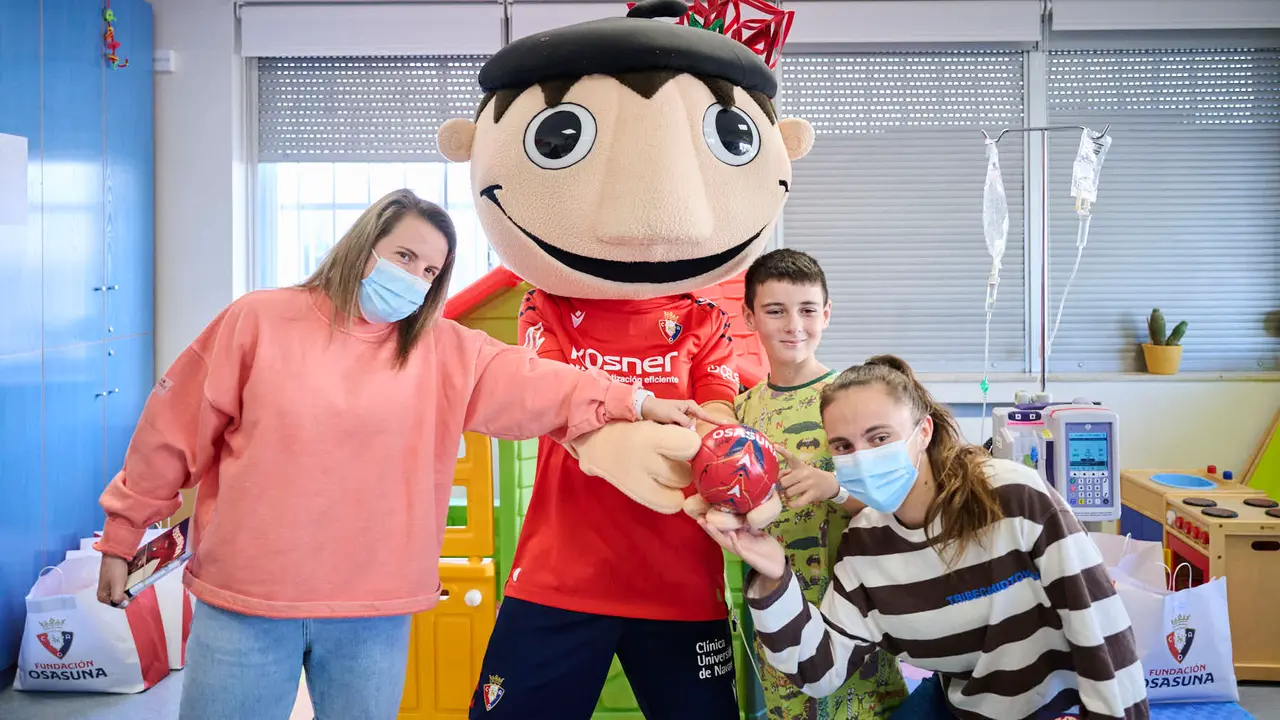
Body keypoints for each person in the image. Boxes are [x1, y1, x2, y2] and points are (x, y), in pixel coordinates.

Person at [92, 189, 714, 720]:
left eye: (429, 272)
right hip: (248, 601)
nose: (415, 278)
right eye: (405, 256)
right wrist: (124, 534)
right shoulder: (257, 322)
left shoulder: (444, 351)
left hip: (375, 608)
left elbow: (539, 384)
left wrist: (633, 400)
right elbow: (170, 431)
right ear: (364, 248)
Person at [433, 0, 815, 716]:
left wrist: (742, 465)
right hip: (556, 577)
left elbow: (715, 415)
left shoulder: (702, 317)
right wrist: (607, 429)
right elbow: (548, 398)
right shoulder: (545, 304)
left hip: (680, 578)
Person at [698, 355, 1150, 720]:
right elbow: (819, 669)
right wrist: (774, 575)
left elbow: (1103, 635)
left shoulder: (1016, 499)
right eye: (843, 447)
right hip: (961, 704)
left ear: (923, 432)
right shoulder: (865, 547)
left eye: (879, 437)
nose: (863, 458)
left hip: (1058, 706)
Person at [732, 249, 908, 718]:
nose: (794, 325)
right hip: (776, 611)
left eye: (808, 310)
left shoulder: (853, 400)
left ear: (826, 314)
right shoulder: (741, 412)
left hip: (854, 613)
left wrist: (834, 487)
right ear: (749, 316)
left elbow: (897, 507)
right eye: (776, 311)